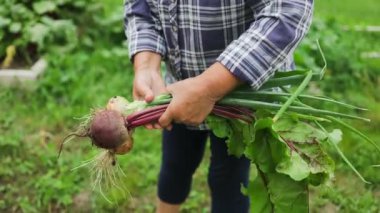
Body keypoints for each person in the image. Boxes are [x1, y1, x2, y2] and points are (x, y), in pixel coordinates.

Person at [124, 0, 314, 212]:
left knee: (228, 181)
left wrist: (209, 87)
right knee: (175, 164)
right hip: (177, 92)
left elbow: (288, 10)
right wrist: (147, 65)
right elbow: (140, 7)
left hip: (241, 99)